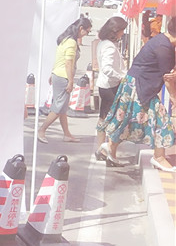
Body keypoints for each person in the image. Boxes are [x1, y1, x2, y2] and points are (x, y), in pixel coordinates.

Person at [98, 17, 176, 171]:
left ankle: (110, 147)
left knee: (127, 119)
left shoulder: (161, 41)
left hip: (135, 84)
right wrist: (174, 98)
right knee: (161, 120)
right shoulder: (163, 46)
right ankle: (159, 157)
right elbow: (167, 78)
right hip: (140, 86)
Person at [37, 17, 92, 143]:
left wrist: (53, 73)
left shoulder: (65, 39)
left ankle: (67, 134)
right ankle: (42, 130)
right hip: (63, 77)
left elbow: (59, 59)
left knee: (62, 108)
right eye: (87, 31)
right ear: (81, 28)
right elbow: (68, 63)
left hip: (58, 74)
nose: (86, 34)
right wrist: (71, 81)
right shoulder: (71, 42)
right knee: (58, 107)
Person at [93, 17, 128, 163]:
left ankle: (101, 149)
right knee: (116, 119)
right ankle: (108, 150)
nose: (123, 33)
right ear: (115, 31)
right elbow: (107, 69)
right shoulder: (109, 47)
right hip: (111, 86)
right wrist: (122, 77)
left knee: (104, 117)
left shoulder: (103, 43)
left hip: (105, 85)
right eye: (122, 30)